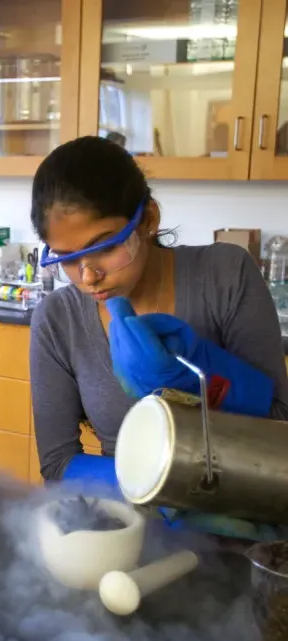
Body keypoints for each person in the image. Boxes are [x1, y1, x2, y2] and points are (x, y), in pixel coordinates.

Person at [29, 135, 288, 492]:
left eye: (104, 247)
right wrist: (149, 487)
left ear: (148, 219)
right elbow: (57, 465)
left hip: (242, 505)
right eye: (66, 258)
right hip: (131, 518)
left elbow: (279, 425)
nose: (88, 277)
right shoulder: (57, 319)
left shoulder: (224, 275)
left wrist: (199, 376)